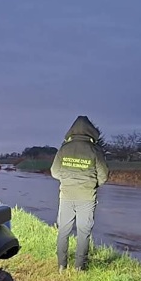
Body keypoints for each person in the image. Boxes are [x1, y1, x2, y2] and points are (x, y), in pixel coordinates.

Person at [50, 115, 109, 271]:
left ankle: (61, 266)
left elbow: (54, 172)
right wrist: (92, 184)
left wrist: (67, 180)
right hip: (87, 197)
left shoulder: (64, 148)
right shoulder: (95, 150)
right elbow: (103, 176)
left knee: (63, 231)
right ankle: (79, 267)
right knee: (83, 232)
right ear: (91, 131)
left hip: (66, 195)